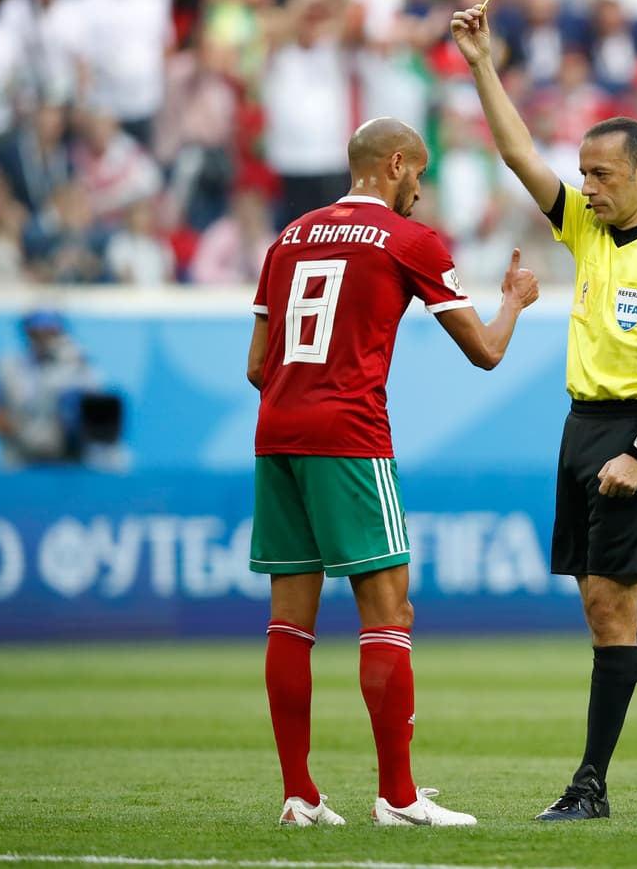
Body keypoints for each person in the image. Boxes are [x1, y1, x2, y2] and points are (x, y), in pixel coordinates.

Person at [451, 3, 637, 822]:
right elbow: (518, 153)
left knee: (610, 610)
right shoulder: (587, 231)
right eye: (583, 173)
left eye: (602, 175)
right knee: (607, 607)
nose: (586, 187)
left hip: (635, 428)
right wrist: (483, 62)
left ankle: (590, 786)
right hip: (581, 426)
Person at [244, 116, 539, 829]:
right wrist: (515, 301)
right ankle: (398, 799)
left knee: (290, 621)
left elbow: (257, 365)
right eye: (421, 173)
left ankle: (299, 795)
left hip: (277, 432)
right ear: (397, 163)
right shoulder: (410, 241)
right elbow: (486, 353)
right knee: (388, 613)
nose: (421, 188)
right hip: (349, 435)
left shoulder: (288, 237)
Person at [0, 310, 118, 469]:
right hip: (23, 458)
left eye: (50, 332)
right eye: (37, 333)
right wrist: (24, 434)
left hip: (70, 458)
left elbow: (97, 416)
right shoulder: (10, 368)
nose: (43, 339)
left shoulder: (77, 365)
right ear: (27, 333)